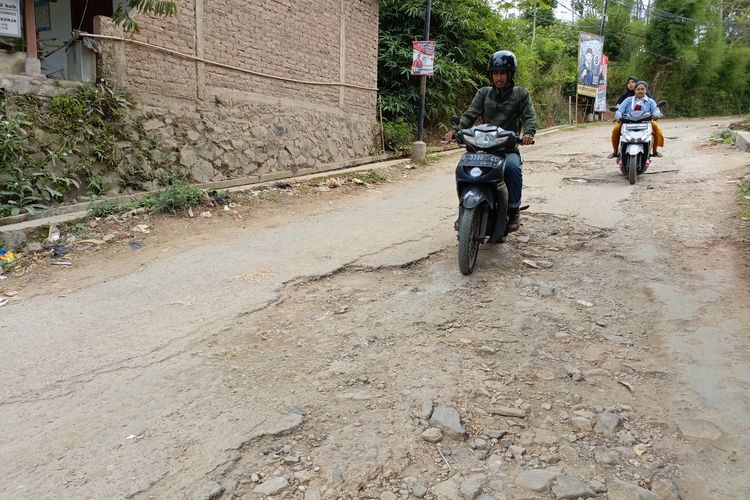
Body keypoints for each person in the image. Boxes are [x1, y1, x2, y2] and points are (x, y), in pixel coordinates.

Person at [446, 50, 536, 233]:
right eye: (495, 73)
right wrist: (456, 131)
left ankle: (513, 210)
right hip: (482, 147)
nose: (498, 77)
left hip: (507, 148)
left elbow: (529, 117)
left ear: (510, 74)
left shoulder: (520, 94)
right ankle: (464, 209)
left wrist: (528, 132)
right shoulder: (484, 93)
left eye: (502, 73)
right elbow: (469, 115)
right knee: (463, 168)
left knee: (512, 168)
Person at [609, 78, 665, 157]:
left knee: (656, 128)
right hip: (627, 121)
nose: (640, 91)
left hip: (646, 122)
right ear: (635, 90)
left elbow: (655, 110)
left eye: (642, 89)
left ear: (646, 90)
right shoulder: (628, 100)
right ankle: (615, 152)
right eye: (638, 89)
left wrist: (656, 114)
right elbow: (620, 110)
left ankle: (655, 151)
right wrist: (618, 116)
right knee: (616, 129)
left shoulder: (650, 101)